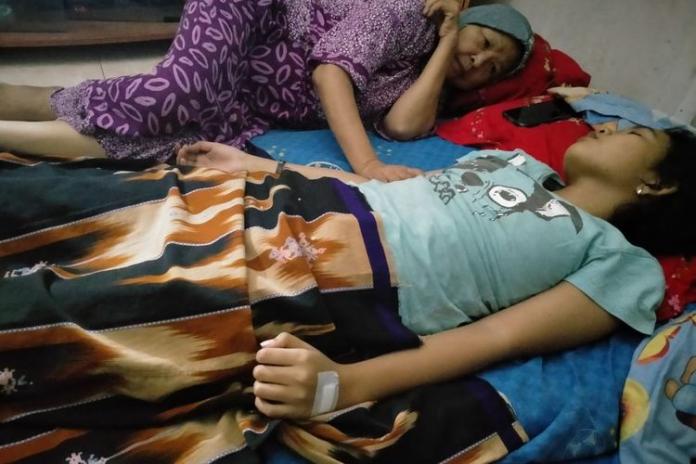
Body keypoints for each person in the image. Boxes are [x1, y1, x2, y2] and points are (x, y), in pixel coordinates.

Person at [0, 126, 694, 461]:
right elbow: (381, 187)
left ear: (657, 183)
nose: (606, 125)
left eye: (631, 131)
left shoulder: (617, 261)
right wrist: (257, 165)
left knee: (85, 313)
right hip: (278, 203)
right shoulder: (512, 163)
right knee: (53, 200)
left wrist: (339, 385)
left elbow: (496, 338)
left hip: (318, 274)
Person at [0, 1, 534, 182]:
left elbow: (402, 125)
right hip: (254, 19)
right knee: (178, 96)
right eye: (483, 42)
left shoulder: (427, 73)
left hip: (250, 94)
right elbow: (331, 71)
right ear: (469, 18)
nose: (479, 62)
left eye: (493, 68)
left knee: (173, 141)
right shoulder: (407, 15)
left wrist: (449, 46)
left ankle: (13, 113)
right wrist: (367, 165)